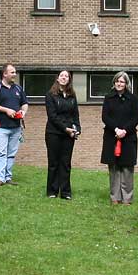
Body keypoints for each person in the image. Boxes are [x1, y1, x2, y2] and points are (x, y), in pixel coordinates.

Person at [100, 71, 138, 205]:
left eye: (122, 81)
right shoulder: (108, 98)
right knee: (114, 168)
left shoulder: (133, 99)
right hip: (112, 136)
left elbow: (136, 118)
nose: (119, 83)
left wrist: (125, 130)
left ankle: (127, 198)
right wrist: (116, 129)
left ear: (126, 84)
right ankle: (115, 197)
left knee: (127, 169)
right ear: (114, 82)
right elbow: (105, 117)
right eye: (117, 81)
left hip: (128, 137)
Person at [0, 63, 28, 186]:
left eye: (15, 72)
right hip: (1, 127)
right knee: (1, 152)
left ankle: (8, 177)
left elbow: (25, 103)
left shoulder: (18, 89)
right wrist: (6, 110)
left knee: (11, 154)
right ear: (4, 74)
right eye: (12, 72)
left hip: (16, 127)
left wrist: (23, 111)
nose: (15, 74)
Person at [44, 70, 81, 199]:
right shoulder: (50, 95)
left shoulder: (72, 96)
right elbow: (52, 116)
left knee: (65, 163)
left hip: (69, 134)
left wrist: (77, 128)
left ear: (69, 79)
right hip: (54, 132)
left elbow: (75, 114)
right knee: (53, 162)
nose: (64, 78)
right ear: (57, 79)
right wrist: (65, 128)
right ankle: (52, 191)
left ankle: (65, 192)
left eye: (67, 76)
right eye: (62, 76)